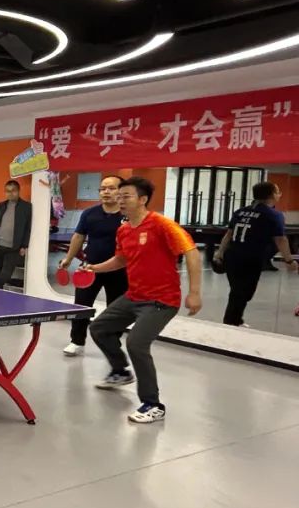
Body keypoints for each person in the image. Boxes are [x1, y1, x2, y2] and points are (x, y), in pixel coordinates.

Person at [84, 176, 202, 424]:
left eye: (125, 196)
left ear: (142, 199)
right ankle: (120, 371)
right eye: (119, 196)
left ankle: (153, 404)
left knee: (136, 344)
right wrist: (95, 268)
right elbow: (121, 260)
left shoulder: (162, 225)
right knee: (99, 328)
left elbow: (191, 253)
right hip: (134, 295)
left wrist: (194, 292)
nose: (120, 200)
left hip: (162, 300)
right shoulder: (124, 229)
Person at [58, 174, 128, 356]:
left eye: (111, 188)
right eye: (103, 188)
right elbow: (78, 236)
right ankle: (77, 341)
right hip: (89, 268)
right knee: (81, 306)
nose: (106, 192)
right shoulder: (89, 213)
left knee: (116, 310)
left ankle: (112, 343)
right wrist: (68, 259)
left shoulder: (128, 215)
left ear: (122, 191)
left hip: (120, 270)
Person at [214, 182, 297, 326]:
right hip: (250, 259)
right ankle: (231, 322)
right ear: (272, 195)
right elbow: (281, 239)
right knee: (243, 292)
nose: (280, 194)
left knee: (238, 291)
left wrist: (220, 252)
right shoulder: (273, 215)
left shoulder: (240, 211)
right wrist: (289, 260)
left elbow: (229, 234)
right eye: (278, 191)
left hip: (232, 256)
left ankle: (233, 320)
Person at [0, 180, 32, 289]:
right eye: (7, 191)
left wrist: (24, 246)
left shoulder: (26, 207)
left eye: (13, 190)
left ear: (18, 191)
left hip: (13, 249)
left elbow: (27, 228)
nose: (10, 193)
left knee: (5, 275)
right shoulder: (0, 205)